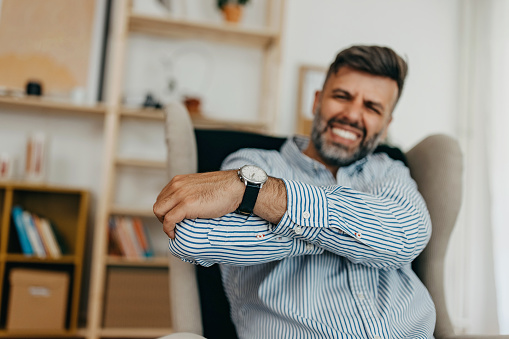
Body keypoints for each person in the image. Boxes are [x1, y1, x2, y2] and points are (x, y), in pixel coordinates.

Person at [154, 45, 435, 339]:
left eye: (372, 107)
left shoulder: (389, 170)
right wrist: (360, 236)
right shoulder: (252, 164)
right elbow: (196, 238)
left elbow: (405, 236)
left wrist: (258, 196)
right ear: (317, 101)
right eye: (342, 96)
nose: (352, 114)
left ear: (386, 124)